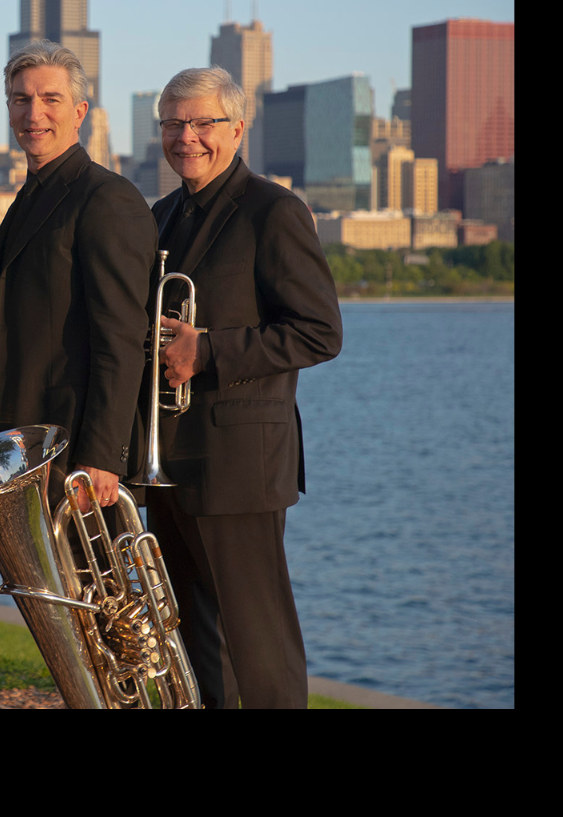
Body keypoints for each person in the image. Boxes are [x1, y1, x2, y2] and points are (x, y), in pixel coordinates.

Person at [142, 66, 343, 709]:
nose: (187, 137)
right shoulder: (162, 214)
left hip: (240, 460)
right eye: (173, 123)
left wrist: (210, 349)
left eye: (203, 123)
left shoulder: (273, 210)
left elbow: (319, 332)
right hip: (170, 456)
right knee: (197, 639)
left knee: (258, 645)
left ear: (238, 128)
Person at [0, 40, 154, 514]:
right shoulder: (26, 200)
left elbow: (121, 339)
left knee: (87, 590)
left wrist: (101, 454)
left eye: (50, 99)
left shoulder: (107, 198)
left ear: (79, 112)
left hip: (77, 456)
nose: (34, 113)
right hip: (24, 450)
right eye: (21, 100)